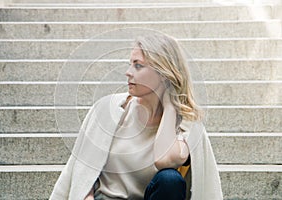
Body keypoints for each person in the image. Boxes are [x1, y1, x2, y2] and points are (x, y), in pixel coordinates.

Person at [50, 32, 223, 200]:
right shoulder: (109, 110)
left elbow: (164, 160)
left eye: (138, 65)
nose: (128, 72)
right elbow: (83, 174)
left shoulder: (186, 127)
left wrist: (170, 107)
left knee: (170, 180)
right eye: (130, 64)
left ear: (164, 73)